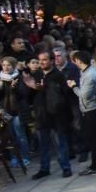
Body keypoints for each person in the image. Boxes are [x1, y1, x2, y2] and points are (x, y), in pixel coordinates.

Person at [24, 50, 74, 179]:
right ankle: (44, 168)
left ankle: (66, 167)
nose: (41, 62)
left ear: (51, 61)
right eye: (39, 60)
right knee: (43, 144)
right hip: (41, 114)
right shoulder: (36, 75)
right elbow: (28, 97)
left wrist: (42, 87)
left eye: (44, 60)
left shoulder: (58, 75)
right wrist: (28, 87)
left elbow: (62, 95)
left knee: (60, 143)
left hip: (57, 115)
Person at [68, 50, 96, 177]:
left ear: (78, 61)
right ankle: (95, 166)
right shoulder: (86, 71)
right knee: (92, 139)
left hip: (93, 110)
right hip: (89, 109)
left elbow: (84, 95)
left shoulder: (90, 74)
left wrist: (73, 86)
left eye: (74, 60)